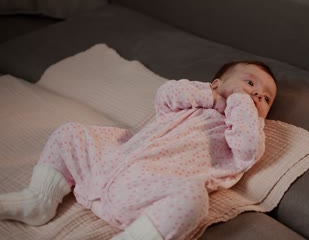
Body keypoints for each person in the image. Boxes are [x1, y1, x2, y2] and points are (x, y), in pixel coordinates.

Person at [0, 60, 277, 240]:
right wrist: (208, 96)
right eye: (250, 83)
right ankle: (39, 198)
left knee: (193, 198)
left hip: (148, 190)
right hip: (112, 162)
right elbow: (166, 94)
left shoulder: (248, 130)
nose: (256, 95)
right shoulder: (193, 100)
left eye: (266, 98)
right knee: (71, 133)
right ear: (215, 84)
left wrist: (240, 105)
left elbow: (247, 149)